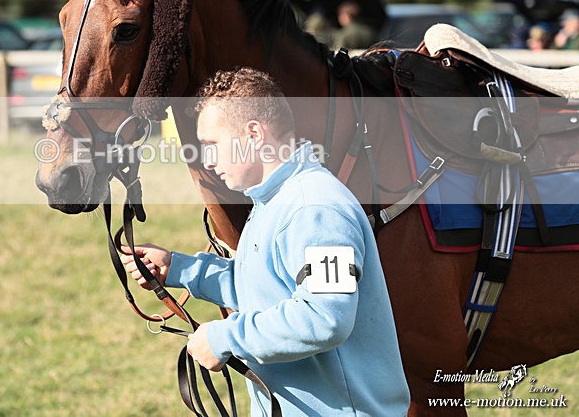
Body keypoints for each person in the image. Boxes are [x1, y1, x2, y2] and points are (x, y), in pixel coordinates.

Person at [122, 68, 410, 416]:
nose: (209, 161)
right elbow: (265, 287)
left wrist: (226, 338)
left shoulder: (314, 208)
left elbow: (325, 317)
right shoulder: (272, 201)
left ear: (254, 133)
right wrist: (179, 268)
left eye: (212, 145)